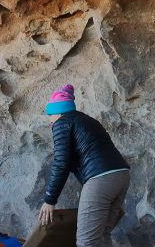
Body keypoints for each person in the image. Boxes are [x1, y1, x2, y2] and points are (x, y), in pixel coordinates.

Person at [39, 84, 130, 247]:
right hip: (121, 175)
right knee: (102, 235)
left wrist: (49, 199)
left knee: (86, 242)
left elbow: (61, 163)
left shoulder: (62, 122)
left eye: (50, 115)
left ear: (57, 112)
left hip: (101, 179)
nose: (50, 120)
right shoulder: (87, 120)